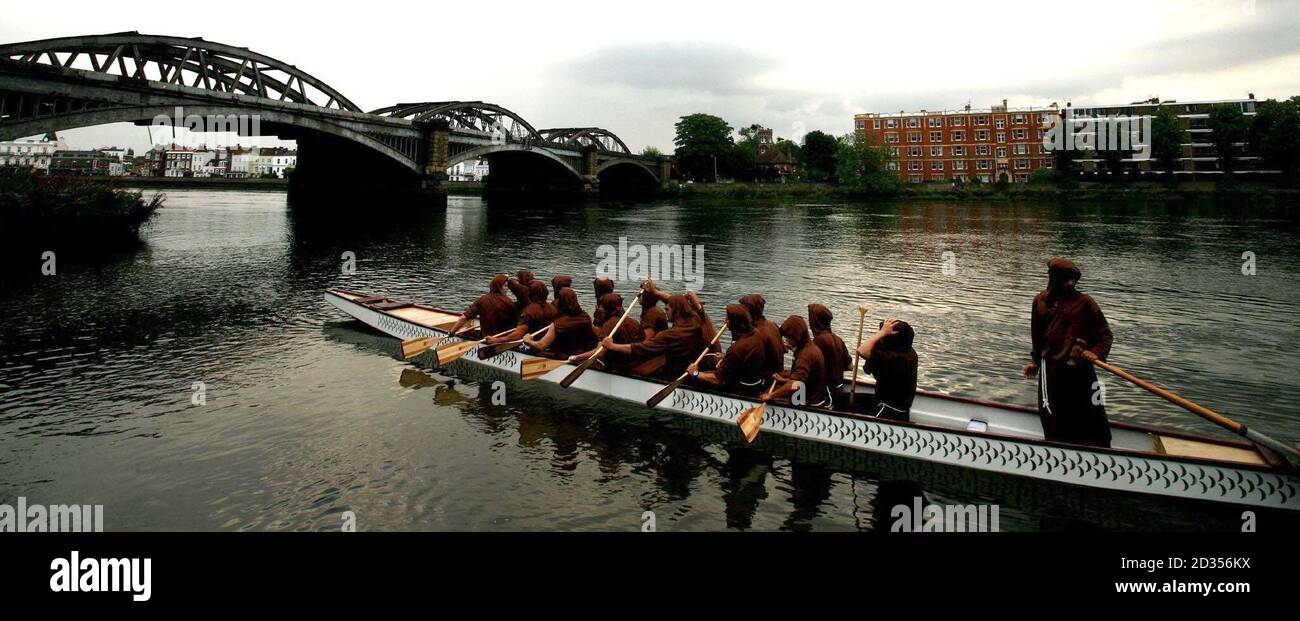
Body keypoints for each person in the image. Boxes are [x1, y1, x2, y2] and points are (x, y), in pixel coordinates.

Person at [1023, 258, 1114, 447]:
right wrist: (1036, 363)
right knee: (1054, 414)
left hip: (1080, 369)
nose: (1070, 283)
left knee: (1093, 412)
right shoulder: (1040, 302)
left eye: (1073, 279)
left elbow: (1105, 335)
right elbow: (1038, 337)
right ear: (1054, 279)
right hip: (1052, 371)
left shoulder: (1085, 303)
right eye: (1066, 279)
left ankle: (1100, 449)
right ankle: (1059, 451)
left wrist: (1096, 353)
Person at [602, 290, 711, 379]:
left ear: (676, 311)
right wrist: (694, 300)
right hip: (692, 368)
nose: (665, 311)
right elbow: (685, 306)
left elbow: (640, 348)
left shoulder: (668, 335)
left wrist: (612, 346)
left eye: (667, 309)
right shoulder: (696, 321)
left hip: (675, 375)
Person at [687, 304, 769, 396]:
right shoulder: (756, 334)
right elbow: (743, 359)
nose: (725, 321)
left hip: (742, 389)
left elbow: (719, 380)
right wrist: (726, 359)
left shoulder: (737, 348)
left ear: (734, 322)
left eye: (727, 319)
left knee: (696, 379)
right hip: (755, 383)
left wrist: (696, 373)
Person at [763, 315, 831, 408]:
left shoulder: (805, 356)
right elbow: (804, 380)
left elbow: (795, 384)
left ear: (795, 337)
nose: (786, 340)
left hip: (809, 401)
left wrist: (770, 396)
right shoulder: (810, 347)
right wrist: (784, 380)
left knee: (765, 393)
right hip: (814, 394)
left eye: (788, 338)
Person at [856, 319, 918, 421]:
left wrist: (880, 333)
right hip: (899, 409)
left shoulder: (892, 358)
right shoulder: (910, 353)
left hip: (888, 410)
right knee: (848, 400)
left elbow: (862, 350)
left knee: (843, 405)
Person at [573, 292, 644, 372]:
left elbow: (599, 352)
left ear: (607, 307)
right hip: (635, 363)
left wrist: (576, 357)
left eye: (602, 306)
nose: (600, 308)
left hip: (618, 367)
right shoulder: (634, 322)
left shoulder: (609, 325)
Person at [524, 288, 599, 358]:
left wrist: (529, 340)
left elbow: (541, 345)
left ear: (560, 303)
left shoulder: (557, 324)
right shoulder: (586, 317)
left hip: (564, 357)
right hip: (583, 355)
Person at [446, 274, 518, 338]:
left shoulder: (482, 300)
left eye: (507, 286)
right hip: (505, 337)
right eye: (505, 286)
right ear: (499, 287)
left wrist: (452, 332)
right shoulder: (509, 301)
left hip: (487, 337)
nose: (507, 289)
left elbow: (463, 318)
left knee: (464, 331)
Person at [485, 280, 555, 345]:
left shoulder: (529, 310)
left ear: (531, 293)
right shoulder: (553, 308)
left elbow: (518, 334)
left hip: (530, 344)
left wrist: (496, 340)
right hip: (547, 342)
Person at [808, 304, 852, 393]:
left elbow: (808, 369)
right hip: (838, 389)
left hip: (824, 393)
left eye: (810, 319)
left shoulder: (818, 341)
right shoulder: (838, 339)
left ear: (815, 321)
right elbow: (850, 366)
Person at [740, 294, 784, 374]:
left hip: (766, 377)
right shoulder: (773, 325)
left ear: (748, 312)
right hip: (777, 371)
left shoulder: (756, 333)